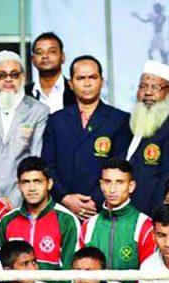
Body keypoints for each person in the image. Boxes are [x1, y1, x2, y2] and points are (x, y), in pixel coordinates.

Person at [42, 55, 131, 219]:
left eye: (93, 77)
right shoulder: (56, 120)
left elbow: (121, 164)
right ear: (70, 84)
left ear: (102, 81)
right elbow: (47, 165)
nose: (87, 83)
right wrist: (65, 198)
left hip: (102, 208)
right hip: (62, 209)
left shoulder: (119, 120)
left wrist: (94, 202)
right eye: (81, 78)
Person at [0, 50, 49, 207]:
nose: (8, 79)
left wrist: (18, 198)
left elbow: (35, 157)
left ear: (23, 77)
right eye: (2, 75)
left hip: (24, 198)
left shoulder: (38, 110)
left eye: (14, 74)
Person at [0, 156, 81, 283]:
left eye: (37, 181)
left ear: (49, 184)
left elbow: (72, 269)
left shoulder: (66, 220)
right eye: (26, 182)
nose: (32, 188)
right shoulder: (7, 220)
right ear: (19, 186)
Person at [80, 160, 155, 283]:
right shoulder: (88, 225)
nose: (112, 189)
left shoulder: (145, 226)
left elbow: (147, 281)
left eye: (120, 182)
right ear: (101, 184)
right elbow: (79, 276)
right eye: (108, 182)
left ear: (131, 186)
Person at [125, 60, 169, 213]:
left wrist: (155, 213)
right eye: (143, 86)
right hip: (124, 207)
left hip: (149, 209)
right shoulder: (133, 119)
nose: (148, 92)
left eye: (155, 87)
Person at [24, 32, 74, 113]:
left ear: (62, 57)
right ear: (33, 60)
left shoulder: (75, 91)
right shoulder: (24, 94)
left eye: (52, 51)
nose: (45, 56)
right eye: (39, 52)